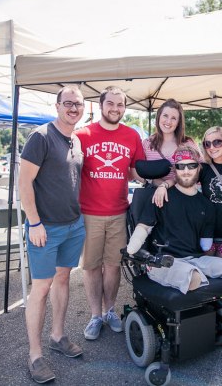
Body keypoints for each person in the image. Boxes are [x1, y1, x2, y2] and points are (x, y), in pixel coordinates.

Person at [19, 85, 87, 384]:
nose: (73, 108)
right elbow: (24, 183)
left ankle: (58, 336)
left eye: (78, 104)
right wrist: (34, 223)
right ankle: (35, 355)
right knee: (41, 288)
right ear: (57, 106)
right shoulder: (41, 136)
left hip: (74, 224)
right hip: (44, 228)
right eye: (68, 103)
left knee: (62, 279)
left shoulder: (76, 139)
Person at [75, 86, 145, 341]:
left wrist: (162, 181)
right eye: (111, 103)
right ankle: (95, 316)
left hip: (119, 212)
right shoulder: (82, 134)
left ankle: (110, 311)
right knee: (92, 267)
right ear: (100, 105)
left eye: (120, 104)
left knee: (114, 266)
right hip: (89, 213)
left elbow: (137, 171)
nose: (115, 109)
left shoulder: (132, 136)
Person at [127, 144, 222, 294]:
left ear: (198, 168)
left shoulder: (206, 205)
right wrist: (132, 249)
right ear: (175, 169)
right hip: (163, 261)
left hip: (194, 259)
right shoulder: (161, 196)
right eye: (180, 166)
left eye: (191, 166)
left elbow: (205, 245)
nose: (186, 171)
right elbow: (144, 227)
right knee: (193, 276)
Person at [199, 126, 222, 332]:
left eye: (217, 142)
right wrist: (163, 186)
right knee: (204, 281)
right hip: (205, 235)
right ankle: (207, 324)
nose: (212, 147)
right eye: (207, 143)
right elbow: (182, 181)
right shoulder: (204, 169)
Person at [141, 98, 202, 207]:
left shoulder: (188, 144)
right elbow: (139, 172)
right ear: (159, 116)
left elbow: (200, 170)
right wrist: (154, 182)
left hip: (183, 201)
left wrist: (167, 184)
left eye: (174, 118)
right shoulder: (147, 144)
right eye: (165, 116)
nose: (168, 121)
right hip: (155, 201)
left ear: (178, 122)